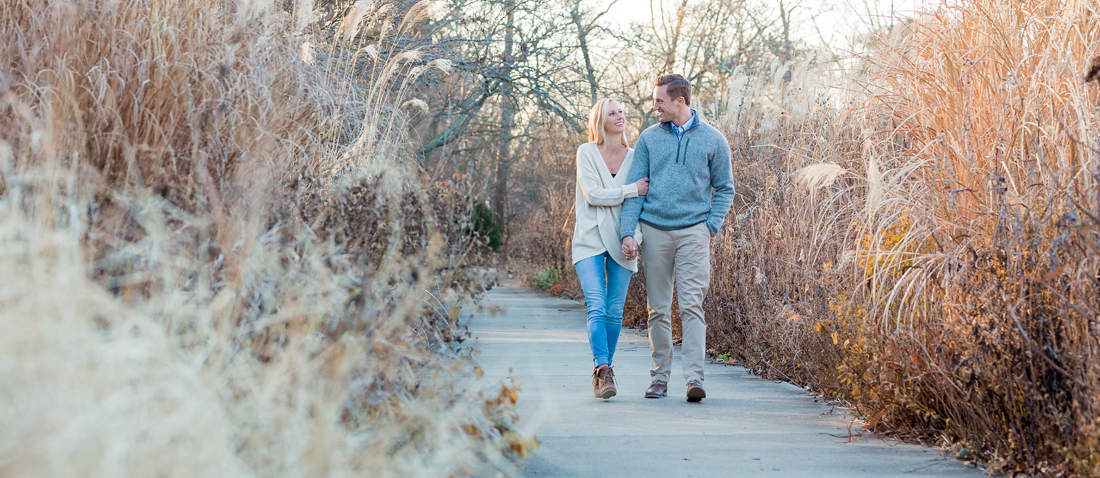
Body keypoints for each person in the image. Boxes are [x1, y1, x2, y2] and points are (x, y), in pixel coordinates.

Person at [619, 74, 735, 403]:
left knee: (691, 307)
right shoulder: (648, 139)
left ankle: (694, 379)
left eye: (659, 101)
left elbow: (725, 188)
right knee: (657, 308)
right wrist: (629, 230)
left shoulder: (714, 140)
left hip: (694, 232)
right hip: (654, 230)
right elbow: (635, 190)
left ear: (679, 102)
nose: (654, 107)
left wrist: (709, 226)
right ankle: (659, 379)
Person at [572, 98, 650, 399]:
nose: (620, 116)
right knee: (597, 304)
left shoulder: (635, 157)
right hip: (589, 238)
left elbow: (640, 205)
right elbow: (594, 195)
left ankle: (606, 370)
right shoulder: (587, 152)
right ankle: (602, 368)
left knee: (615, 310)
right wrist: (632, 189)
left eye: (621, 112)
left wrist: (635, 237)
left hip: (622, 240)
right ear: (600, 120)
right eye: (612, 113)